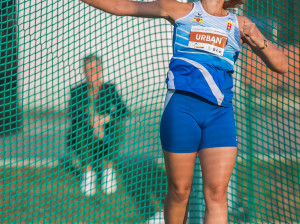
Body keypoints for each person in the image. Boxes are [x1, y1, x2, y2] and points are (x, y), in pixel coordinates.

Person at [80, 0, 288, 223]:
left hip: (219, 116)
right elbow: (120, 7)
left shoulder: (240, 24)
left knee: (217, 193)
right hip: (182, 111)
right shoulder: (180, 10)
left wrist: (258, 38)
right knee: (180, 190)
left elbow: (282, 65)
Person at [67, 54, 129, 196]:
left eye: (94, 69)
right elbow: (72, 113)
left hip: (105, 134)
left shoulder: (109, 89)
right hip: (86, 134)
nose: (91, 73)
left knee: (118, 124)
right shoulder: (77, 91)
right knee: (77, 126)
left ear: (101, 70)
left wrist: (105, 120)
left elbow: (124, 110)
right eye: (88, 70)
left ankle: (108, 170)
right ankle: (88, 173)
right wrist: (92, 122)